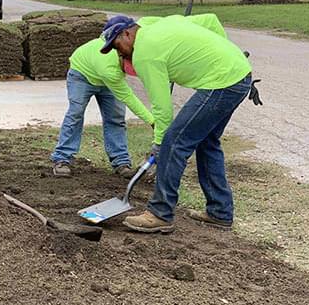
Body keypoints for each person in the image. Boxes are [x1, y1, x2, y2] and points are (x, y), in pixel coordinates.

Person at [100, 14, 255, 233]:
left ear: (127, 33)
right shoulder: (155, 24)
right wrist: (226, 52)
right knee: (206, 141)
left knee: (174, 143)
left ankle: (160, 213)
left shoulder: (145, 55)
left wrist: (159, 143)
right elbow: (210, 20)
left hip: (222, 82)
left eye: (118, 47)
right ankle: (220, 212)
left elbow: (162, 109)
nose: (120, 53)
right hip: (239, 73)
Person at [50, 29, 155, 177]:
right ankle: (62, 158)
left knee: (116, 118)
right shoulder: (109, 69)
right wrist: (152, 121)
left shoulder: (127, 52)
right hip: (82, 74)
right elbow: (129, 97)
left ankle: (121, 162)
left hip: (106, 79)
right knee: (76, 113)